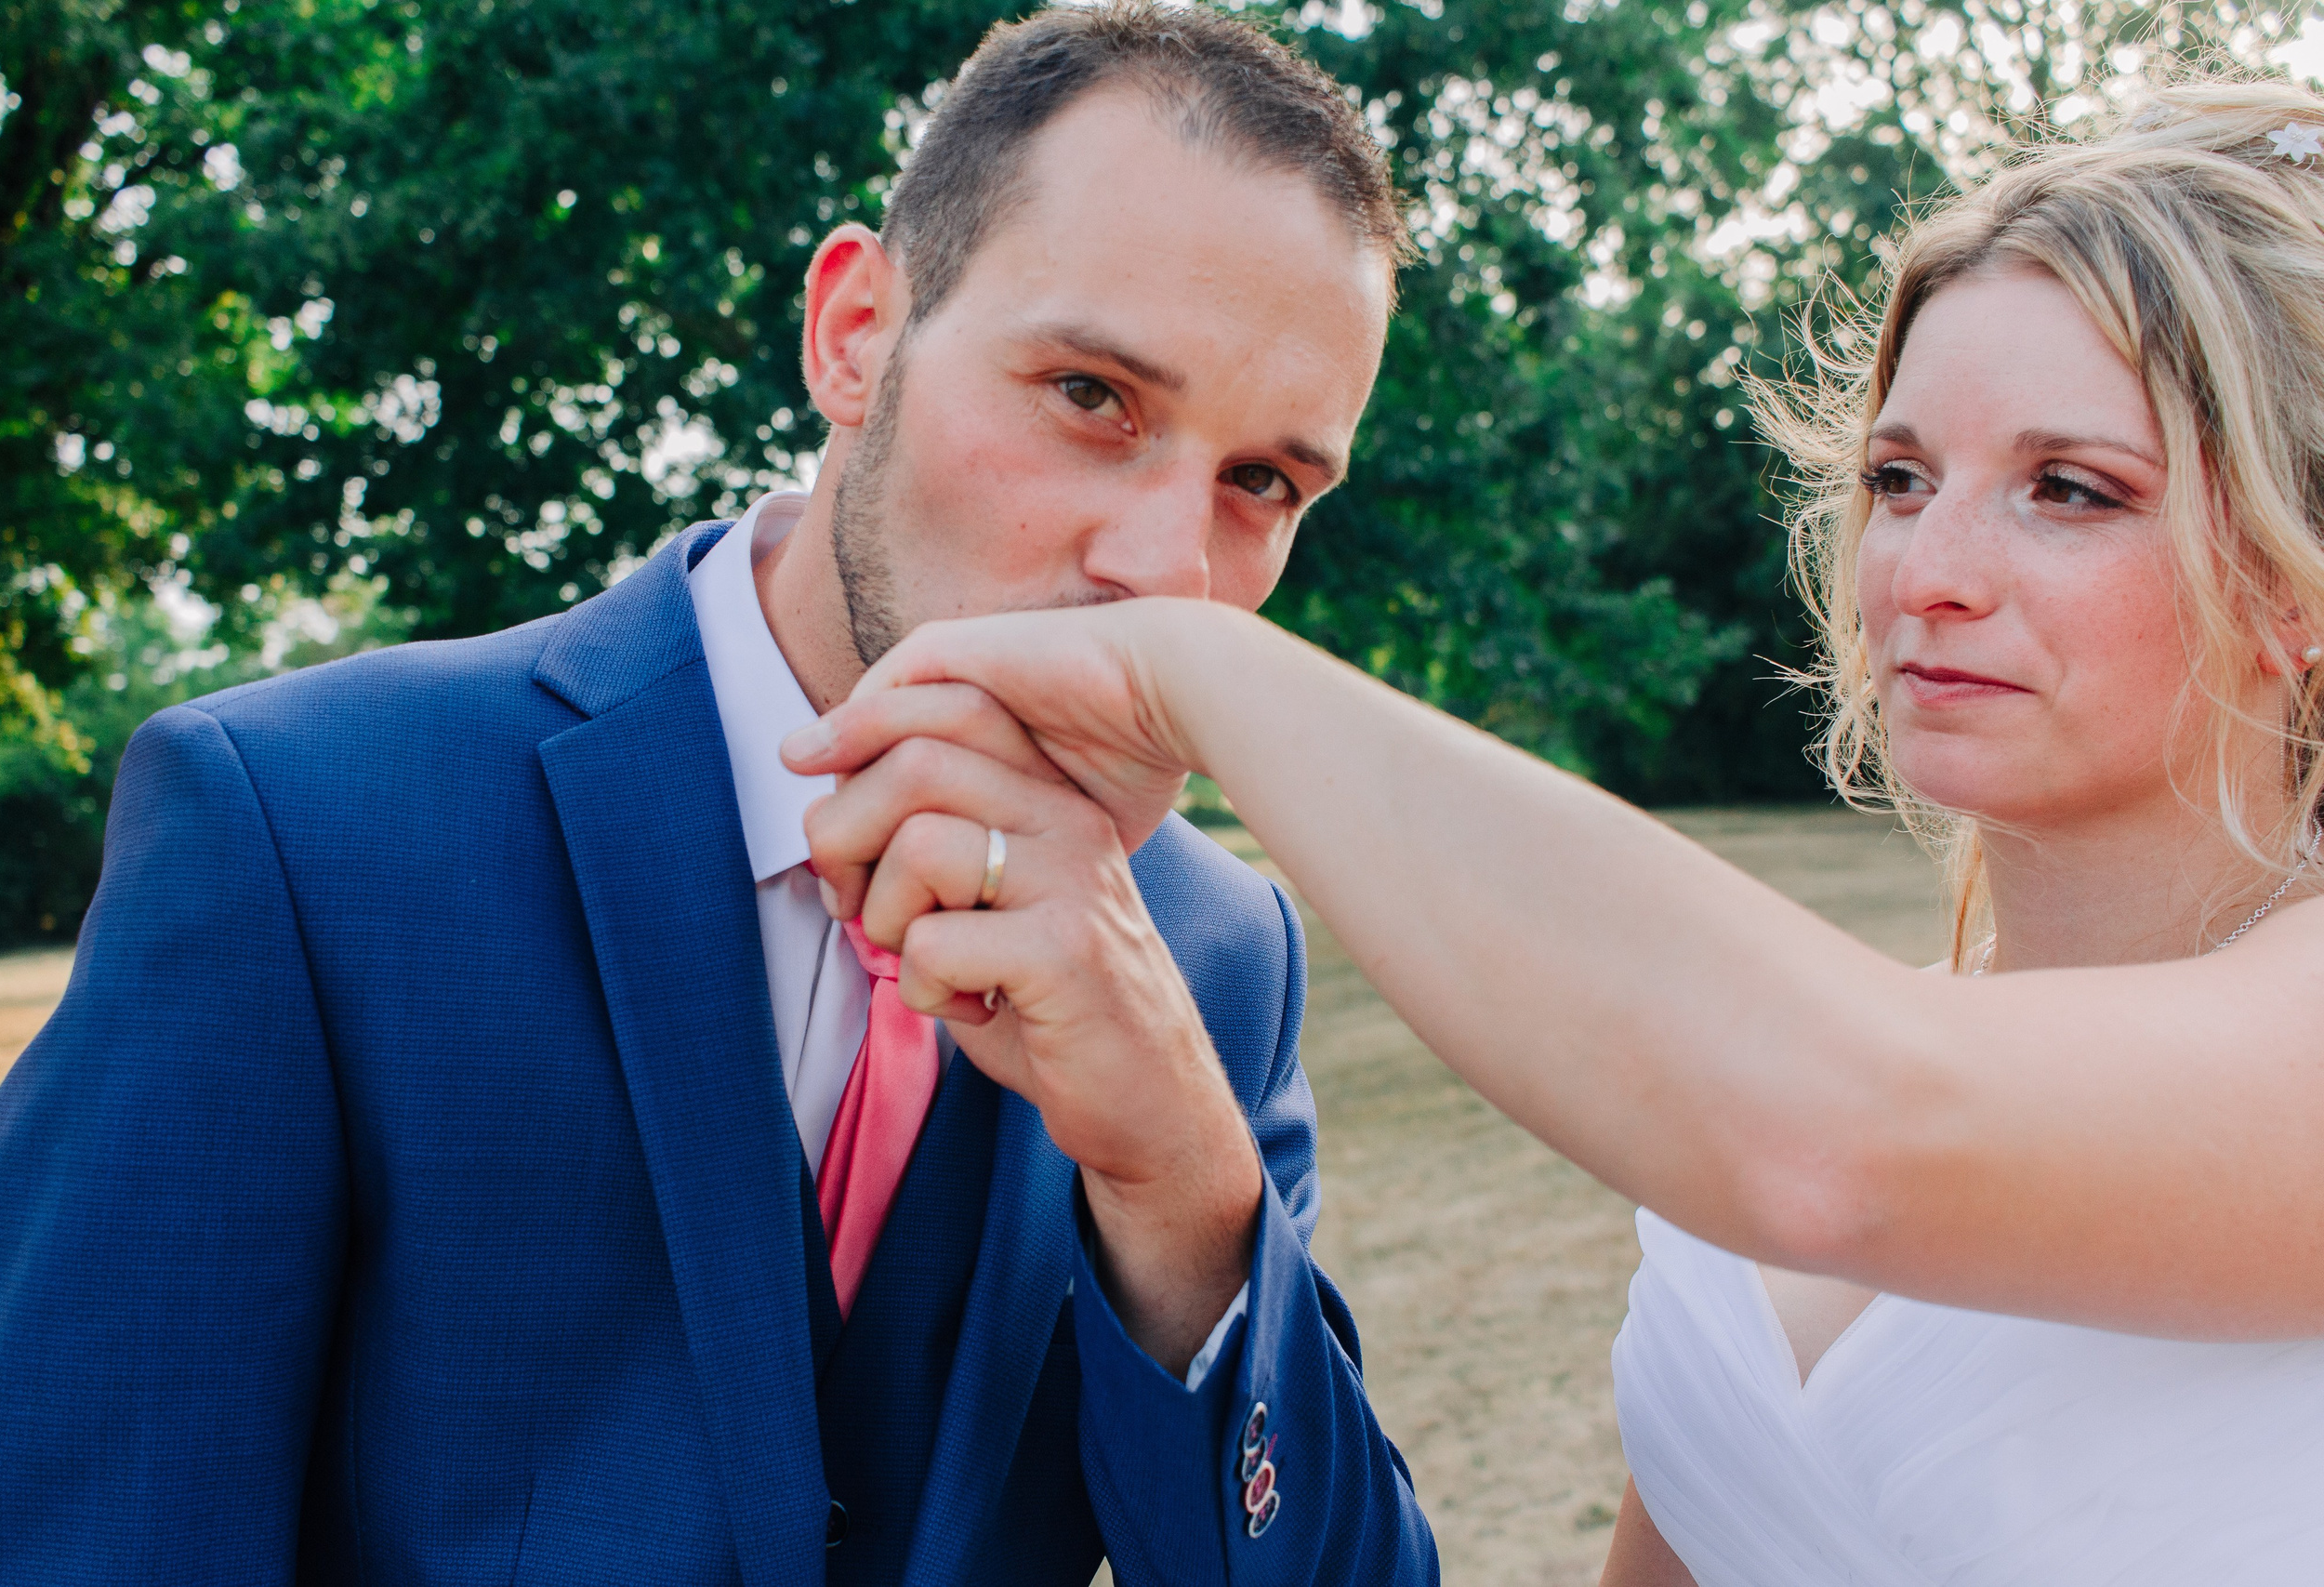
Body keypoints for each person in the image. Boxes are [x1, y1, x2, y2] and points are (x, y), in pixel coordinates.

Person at [0, 7, 1437, 1582]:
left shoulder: (1220, 957)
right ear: (856, 331)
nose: (1166, 565)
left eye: (1261, 482)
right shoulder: (298, 829)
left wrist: (1182, 1183)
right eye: (1090, 395)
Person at [784, 73, 2324, 1584]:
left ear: (2294, 585)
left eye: (2070, 488)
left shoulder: (1826, 1091)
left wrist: (1184, 664)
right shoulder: (1786, 1053)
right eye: (1901, 478)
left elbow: (1843, 1142)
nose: (1925, 569)